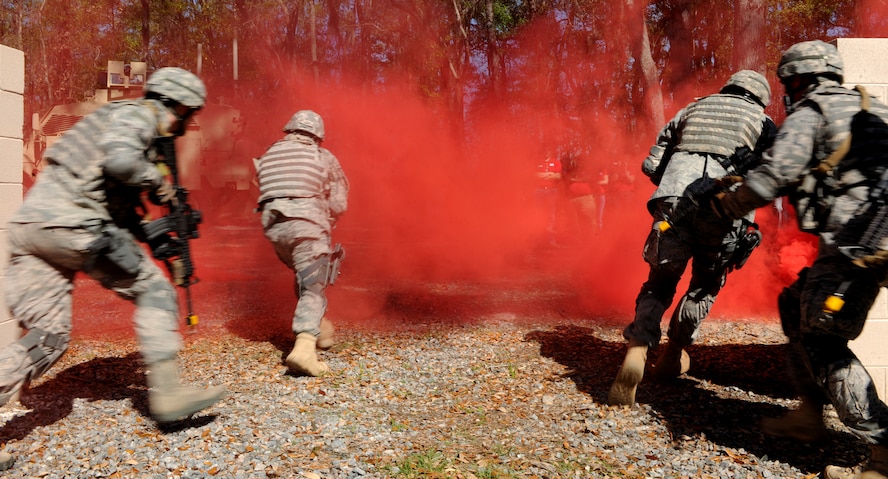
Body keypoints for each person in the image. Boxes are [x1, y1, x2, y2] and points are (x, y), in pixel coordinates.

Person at [0, 67, 226, 470]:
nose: (187, 124)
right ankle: (168, 395)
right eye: (187, 114)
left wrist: (157, 236)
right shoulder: (138, 115)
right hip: (74, 226)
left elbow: (117, 204)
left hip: (33, 228)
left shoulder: (103, 122)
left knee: (49, 339)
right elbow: (122, 162)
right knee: (155, 291)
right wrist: (159, 183)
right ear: (172, 104)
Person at [713, 40, 888, 479]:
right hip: (871, 240)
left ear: (797, 80)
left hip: (860, 246)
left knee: (822, 341)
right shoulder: (876, 108)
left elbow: (774, 175)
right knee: (795, 303)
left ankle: (885, 452)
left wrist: (725, 205)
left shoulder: (814, 112)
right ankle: (810, 415)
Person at [608, 69, 777, 407]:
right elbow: (771, 175)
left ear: (728, 88)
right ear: (759, 97)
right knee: (705, 284)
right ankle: (673, 355)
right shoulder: (763, 122)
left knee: (659, 282)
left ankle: (638, 350)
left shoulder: (692, 109)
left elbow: (651, 164)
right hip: (726, 208)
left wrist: (674, 186)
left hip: (674, 201)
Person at [254, 110, 349, 377]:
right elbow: (340, 201)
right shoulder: (322, 156)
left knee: (304, 275)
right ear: (317, 134)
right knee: (314, 284)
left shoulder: (270, 153)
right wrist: (328, 217)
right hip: (306, 225)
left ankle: (322, 329)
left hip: (274, 228)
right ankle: (305, 348)